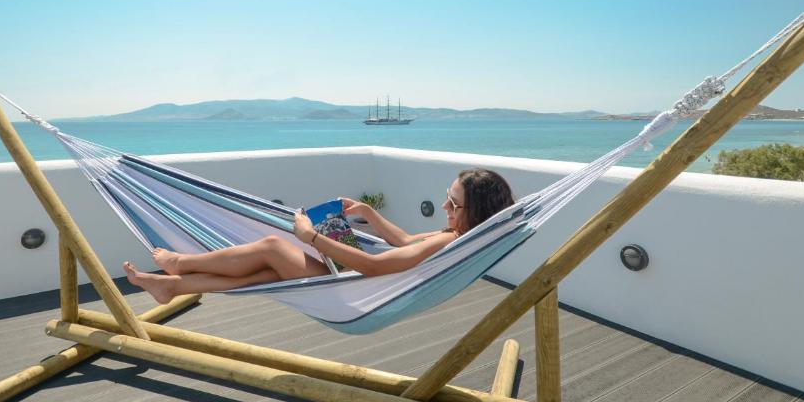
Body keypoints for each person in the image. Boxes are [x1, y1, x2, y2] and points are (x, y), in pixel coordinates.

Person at [123, 168, 514, 304]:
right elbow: (408, 244)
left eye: (453, 203)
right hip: (350, 280)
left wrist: (311, 237)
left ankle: (181, 263)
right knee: (264, 274)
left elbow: (376, 265)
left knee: (275, 246)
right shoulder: (457, 235)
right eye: (447, 198)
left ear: (475, 211)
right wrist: (368, 212)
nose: (445, 207)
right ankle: (173, 287)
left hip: (352, 290)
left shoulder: (450, 241)